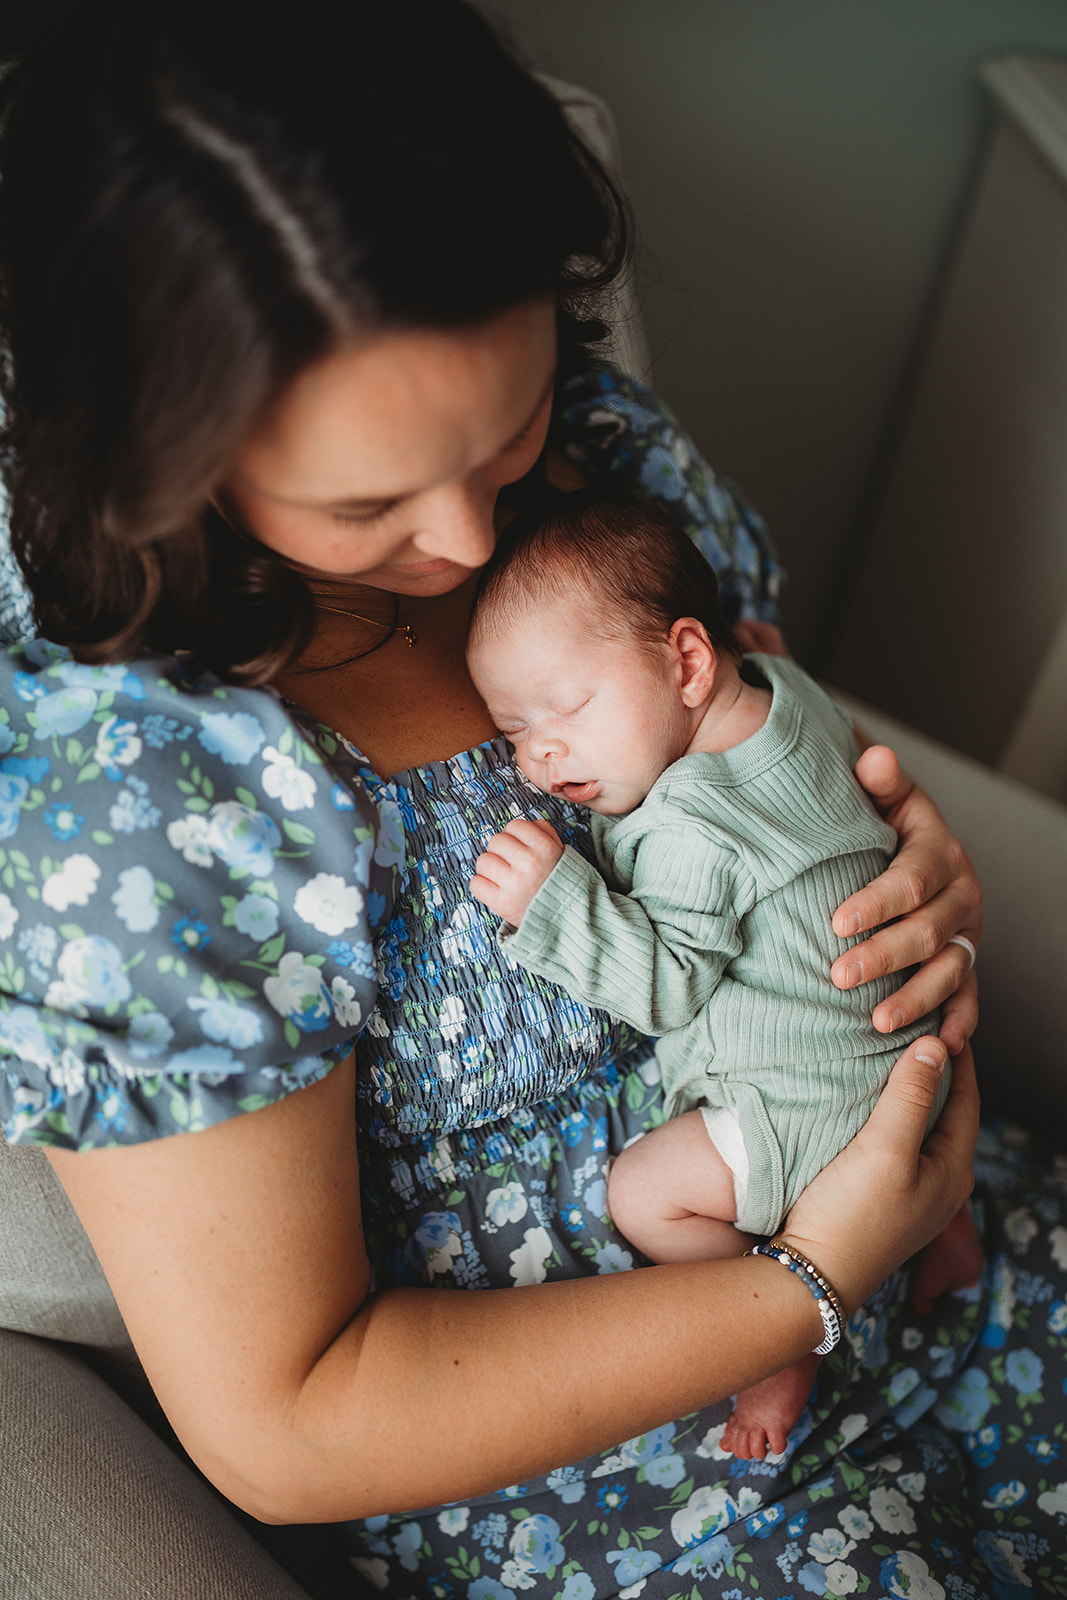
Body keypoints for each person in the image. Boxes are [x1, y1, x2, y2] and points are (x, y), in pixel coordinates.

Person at [0, 3, 1056, 1597]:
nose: (463, 537)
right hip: (638, 1463)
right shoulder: (152, 805)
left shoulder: (595, 463)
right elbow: (287, 1412)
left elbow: (763, 732)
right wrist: (813, 1277)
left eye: (502, 433)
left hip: (924, 1210)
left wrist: (901, 875)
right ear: (169, 462)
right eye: (365, 501)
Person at [466, 488, 983, 1463]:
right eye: (509, 732)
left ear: (689, 661)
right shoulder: (792, 693)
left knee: (644, 1194)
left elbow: (666, 985)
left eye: (565, 707)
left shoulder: (684, 828)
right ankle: (944, 1235)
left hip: (798, 1111)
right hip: (910, 1055)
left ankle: (776, 1328)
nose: (538, 755)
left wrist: (554, 903)